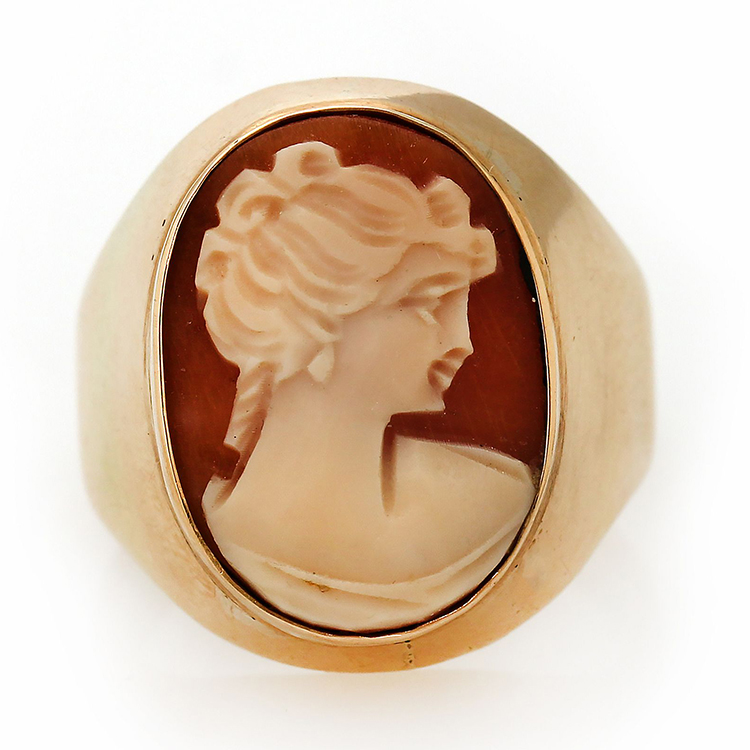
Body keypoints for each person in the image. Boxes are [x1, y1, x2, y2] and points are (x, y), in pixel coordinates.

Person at [195, 141, 535, 632]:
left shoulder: (492, 501)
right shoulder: (227, 535)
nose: (462, 342)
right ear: (309, 323)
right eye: (425, 303)